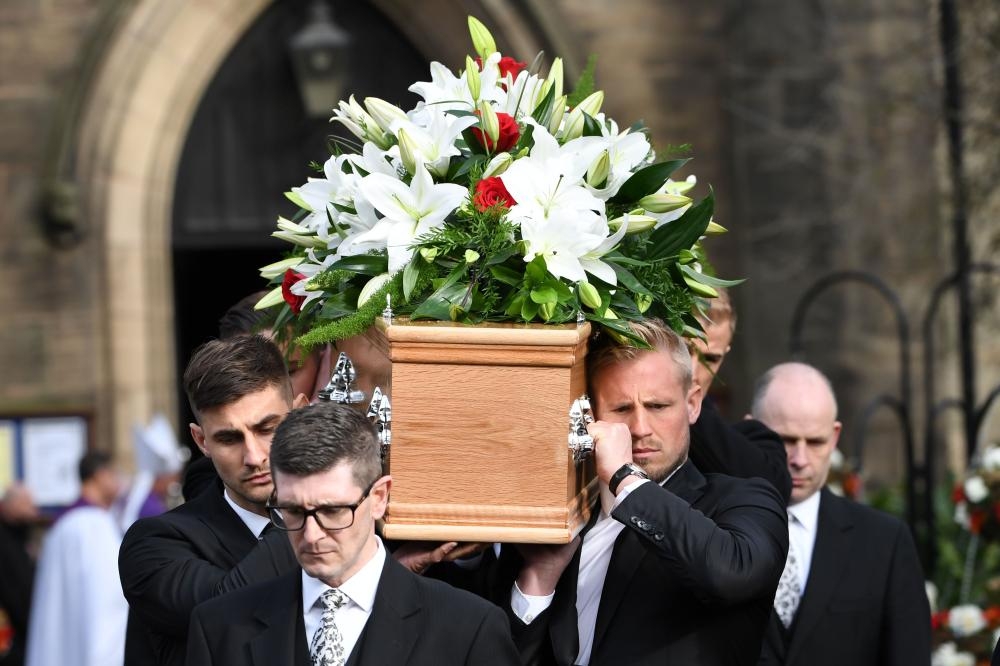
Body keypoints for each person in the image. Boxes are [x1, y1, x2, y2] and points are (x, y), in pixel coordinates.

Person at [500, 319, 788, 665]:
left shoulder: (744, 500)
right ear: (589, 417)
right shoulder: (564, 525)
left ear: (693, 404)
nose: (639, 429)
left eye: (657, 407)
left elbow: (731, 572)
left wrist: (625, 478)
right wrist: (538, 581)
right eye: (622, 409)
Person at [186, 402, 521, 665]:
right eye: (293, 511)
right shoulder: (220, 628)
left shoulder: (469, 628)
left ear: (379, 498)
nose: (312, 535)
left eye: (333, 511)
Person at [118, 335, 307, 666]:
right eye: (229, 438)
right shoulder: (154, 543)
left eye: (267, 429)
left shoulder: (349, 523)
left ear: (301, 416)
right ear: (201, 440)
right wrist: (307, 504)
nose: (254, 456)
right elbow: (226, 610)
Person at [750, 362, 930, 666]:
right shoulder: (707, 524)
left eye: (816, 442)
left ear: (834, 437)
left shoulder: (884, 542)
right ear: (750, 429)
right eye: (786, 440)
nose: (800, 459)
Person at [25, 451, 128, 666]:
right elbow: (109, 597)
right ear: (100, 476)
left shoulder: (62, 524)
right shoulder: (93, 525)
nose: (119, 481)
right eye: (114, 474)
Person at [688, 288, 791, 501]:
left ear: (725, 355)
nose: (692, 372)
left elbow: (773, 487)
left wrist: (685, 408)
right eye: (683, 350)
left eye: (710, 359)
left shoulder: (752, 444)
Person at [0, 484, 38, 666]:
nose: (33, 510)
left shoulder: (23, 536)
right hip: (13, 642)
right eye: (26, 504)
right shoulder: (6, 543)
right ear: (10, 505)